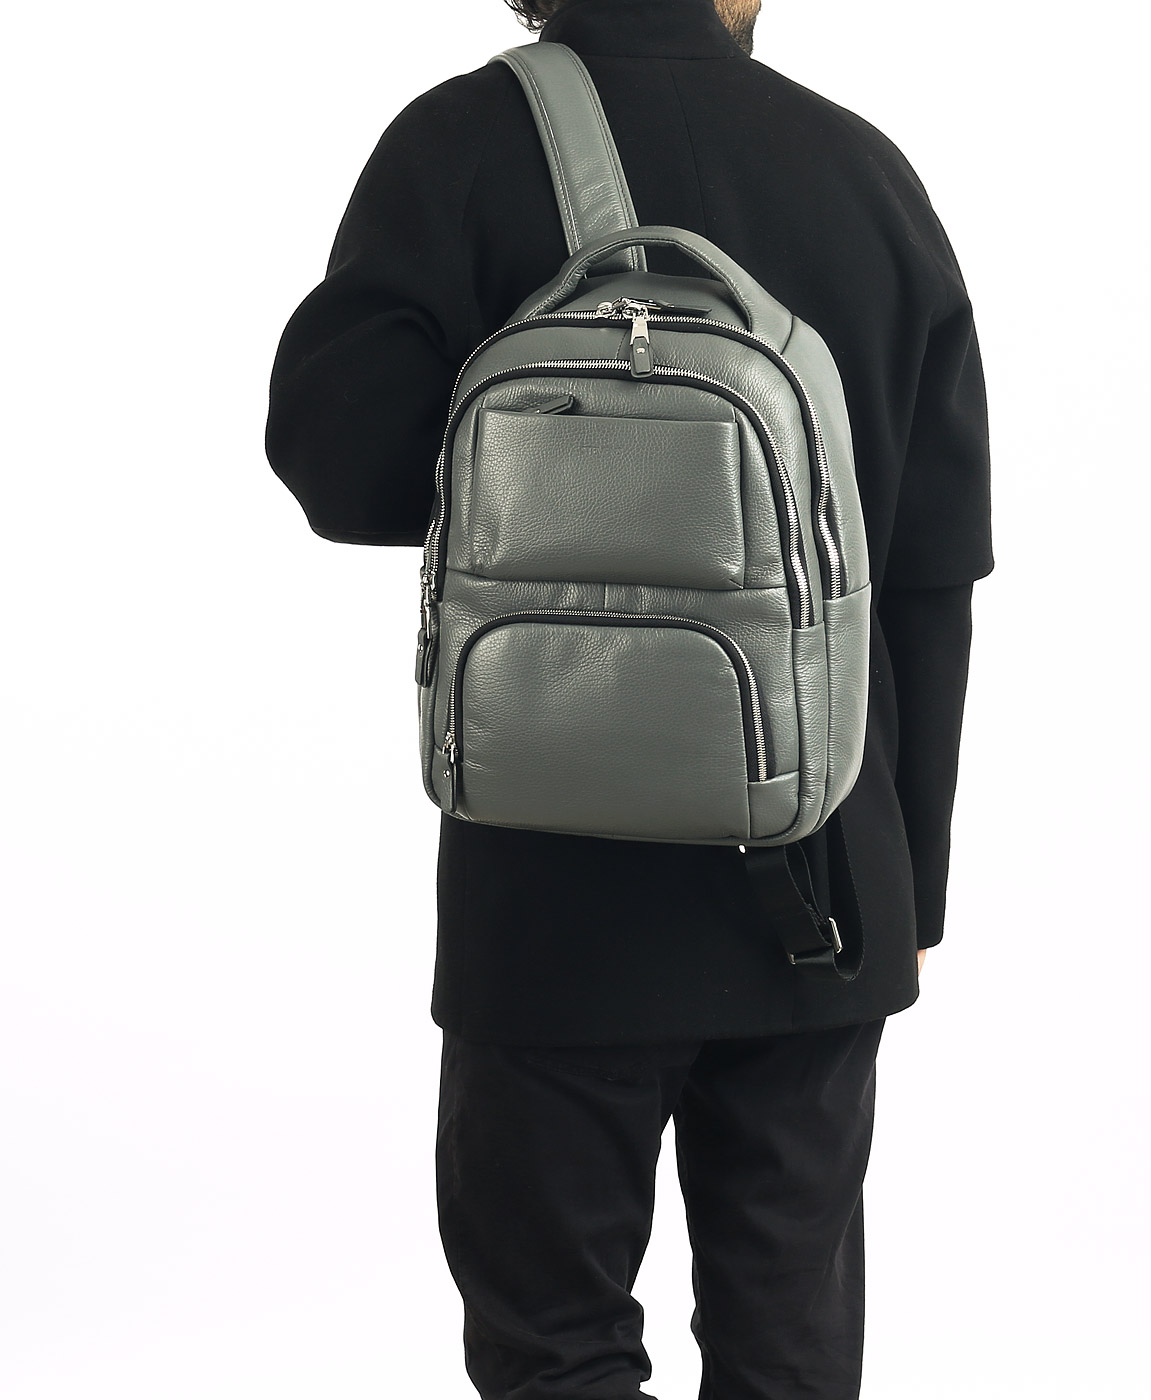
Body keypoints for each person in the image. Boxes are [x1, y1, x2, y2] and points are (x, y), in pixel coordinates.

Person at [264, 0, 992, 1394]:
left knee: (554, 1344)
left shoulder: (462, 142)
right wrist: (916, 894)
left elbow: (336, 465)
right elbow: (931, 573)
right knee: (789, 1350)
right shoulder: (866, 171)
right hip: (825, 882)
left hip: (551, 890)